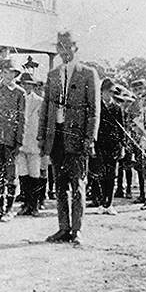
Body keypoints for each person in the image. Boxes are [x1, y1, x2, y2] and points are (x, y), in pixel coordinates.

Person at [38, 31, 100, 245]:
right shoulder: (53, 75)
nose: (64, 51)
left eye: (68, 47)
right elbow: (46, 107)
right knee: (60, 186)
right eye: (60, 47)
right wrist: (41, 137)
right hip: (56, 138)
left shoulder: (88, 74)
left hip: (77, 138)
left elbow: (94, 110)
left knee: (78, 184)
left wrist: (89, 138)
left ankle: (77, 229)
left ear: (75, 48)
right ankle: (63, 228)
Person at [0, 59, 26, 222]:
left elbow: (22, 119)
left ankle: (9, 209)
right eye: (4, 72)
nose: (7, 75)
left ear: (15, 74)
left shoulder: (19, 92)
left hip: (11, 139)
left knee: (10, 175)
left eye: (11, 73)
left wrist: (19, 141)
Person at [16, 72, 46, 216]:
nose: (26, 87)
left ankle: (34, 205)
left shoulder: (40, 101)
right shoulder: (17, 98)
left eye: (30, 85)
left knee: (35, 173)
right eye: (24, 84)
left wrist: (42, 140)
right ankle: (26, 203)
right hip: (20, 142)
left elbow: (44, 124)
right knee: (23, 173)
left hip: (34, 141)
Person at [93, 78, 125, 214]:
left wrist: (122, 146)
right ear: (101, 91)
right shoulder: (96, 106)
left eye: (111, 92)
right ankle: (101, 202)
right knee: (100, 173)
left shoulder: (117, 108)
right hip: (99, 144)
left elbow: (122, 128)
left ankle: (109, 203)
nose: (109, 94)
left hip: (113, 145)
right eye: (107, 91)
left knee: (111, 175)